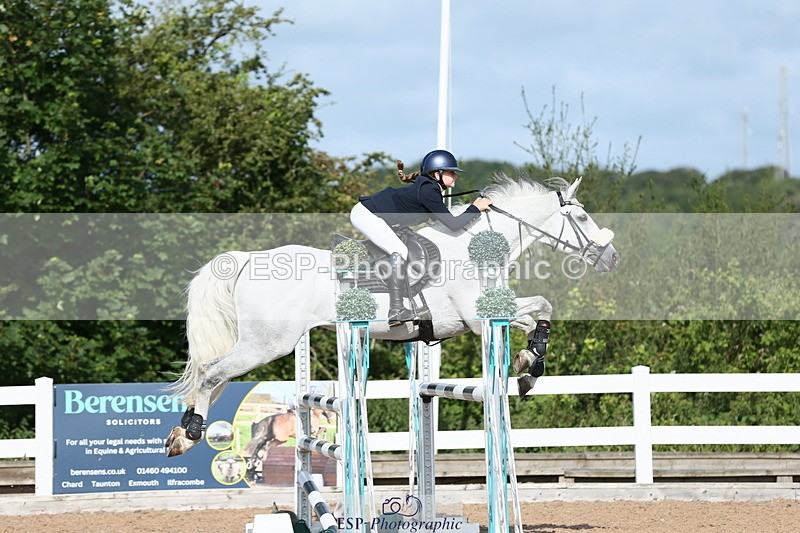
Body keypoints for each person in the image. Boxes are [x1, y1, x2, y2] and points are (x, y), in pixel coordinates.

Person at [350, 149, 493, 326]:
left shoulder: (430, 189)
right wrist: (475, 208)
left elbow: (445, 222)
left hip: (374, 214)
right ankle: (396, 310)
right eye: (451, 172)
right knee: (399, 250)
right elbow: (454, 225)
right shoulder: (429, 191)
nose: (455, 176)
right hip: (366, 214)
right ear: (437, 174)